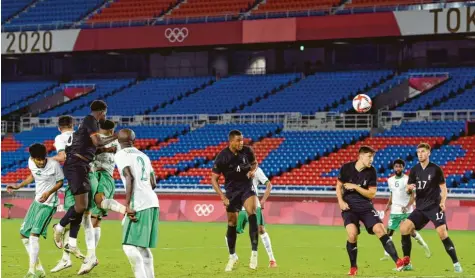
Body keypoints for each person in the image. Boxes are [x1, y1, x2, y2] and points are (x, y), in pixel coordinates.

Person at [52, 100, 124, 275]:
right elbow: (96, 144)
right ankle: (69, 252)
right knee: (82, 211)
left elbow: (67, 153)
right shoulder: (91, 127)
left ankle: (79, 250)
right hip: (82, 169)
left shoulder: (83, 133)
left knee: (87, 212)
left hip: (90, 171)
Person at [336, 146, 404, 276]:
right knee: (352, 234)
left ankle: (398, 261)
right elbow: (338, 186)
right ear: (360, 156)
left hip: (366, 206)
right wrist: (340, 201)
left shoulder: (371, 171)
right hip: (349, 208)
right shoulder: (346, 168)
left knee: (380, 229)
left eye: (372, 157)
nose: (371, 159)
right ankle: (353, 267)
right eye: (369, 156)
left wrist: (355, 187)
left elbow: (372, 194)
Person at [400, 143, 463, 273]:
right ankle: (407, 263)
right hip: (421, 208)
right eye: (418, 152)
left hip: (434, 206)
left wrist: (443, 202)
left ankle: (456, 264)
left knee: (442, 233)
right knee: (404, 228)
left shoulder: (436, 169)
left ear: (429, 153)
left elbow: (444, 188)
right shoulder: (414, 170)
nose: (420, 154)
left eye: (423, 152)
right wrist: (408, 189)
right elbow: (408, 190)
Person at [7, 143, 64, 278]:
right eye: (36, 159)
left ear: (45, 157)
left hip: (49, 204)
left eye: (41, 159)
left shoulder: (54, 165)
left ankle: (31, 271)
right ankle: (39, 269)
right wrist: (18, 186)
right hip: (37, 202)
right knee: (23, 234)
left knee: (33, 236)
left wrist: (49, 192)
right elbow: (32, 176)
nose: (39, 162)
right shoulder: (31, 162)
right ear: (32, 158)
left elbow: (60, 182)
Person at [211, 130, 259, 271]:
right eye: (238, 140)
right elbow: (214, 179)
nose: (241, 143)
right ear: (231, 141)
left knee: (252, 212)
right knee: (232, 222)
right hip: (231, 192)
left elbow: (254, 163)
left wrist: (252, 171)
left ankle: (254, 253)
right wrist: (222, 196)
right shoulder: (222, 157)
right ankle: (232, 256)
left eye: (242, 140)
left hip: (246, 187)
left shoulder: (247, 151)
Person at [115, 128, 158, 278]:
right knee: (142, 247)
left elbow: (129, 177)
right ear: (134, 140)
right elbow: (153, 182)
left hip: (138, 203)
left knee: (128, 246)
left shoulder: (120, 155)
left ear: (119, 141)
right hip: (152, 201)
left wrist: (127, 205)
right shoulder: (144, 155)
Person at [50, 115, 86, 273]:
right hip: (84, 171)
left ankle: (63, 232)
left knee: (80, 208)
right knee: (79, 206)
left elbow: (62, 156)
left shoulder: (59, 138)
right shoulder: (81, 135)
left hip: (73, 171)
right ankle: (61, 229)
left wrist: (48, 160)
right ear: (74, 125)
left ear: (59, 127)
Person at [380, 159, 430, 262]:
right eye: (396, 166)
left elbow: (413, 197)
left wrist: (407, 206)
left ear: (403, 168)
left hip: (407, 211)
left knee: (411, 232)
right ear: (393, 168)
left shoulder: (408, 180)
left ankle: (424, 246)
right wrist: (387, 207)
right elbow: (392, 194)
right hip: (395, 211)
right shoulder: (390, 180)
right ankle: (387, 254)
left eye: (400, 166)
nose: (398, 168)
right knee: (389, 233)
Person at [233, 167, 277, 267]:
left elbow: (269, 185)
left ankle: (272, 260)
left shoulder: (257, 170)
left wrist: (263, 200)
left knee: (261, 229)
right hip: (241, 206)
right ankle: (233, 256)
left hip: (254, 204)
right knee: (233, 230)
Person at [90, 120, 121, 249]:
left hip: (105, 175)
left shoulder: (117, 143)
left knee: (97, 216)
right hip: (94, 175)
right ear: (111, 130)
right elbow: (93, 150)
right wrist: (107, 149)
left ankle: (92, 252)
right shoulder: (94, 138)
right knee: (94, 211)